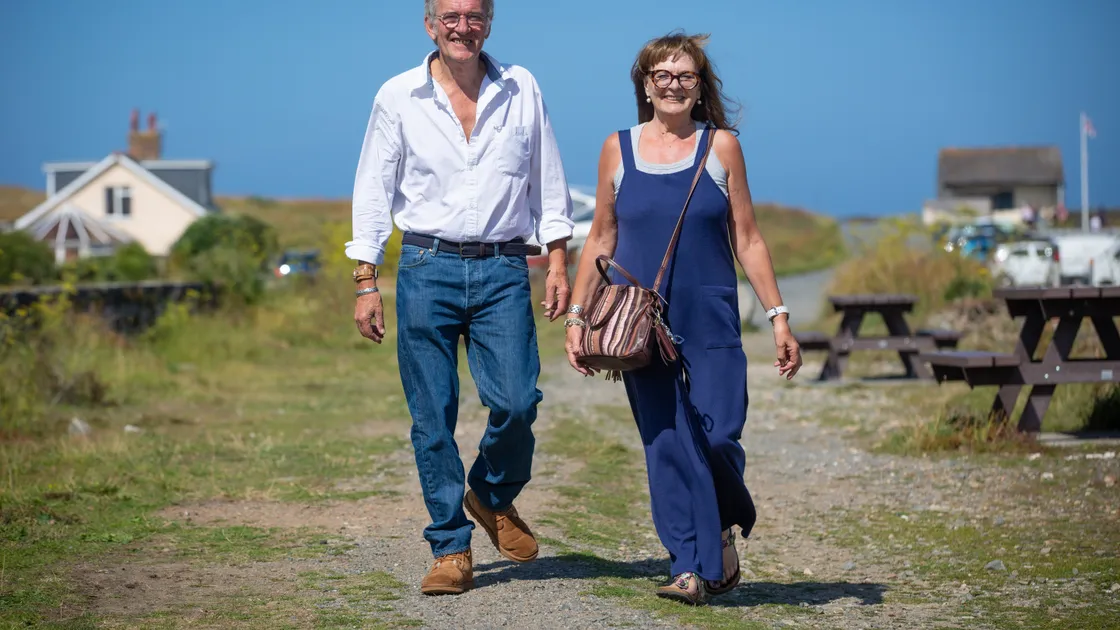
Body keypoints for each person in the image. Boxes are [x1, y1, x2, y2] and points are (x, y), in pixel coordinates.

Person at [564, 32, 802, 605]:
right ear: (646, 85)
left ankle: (721, 525)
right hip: (638, 324)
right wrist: (576, 315)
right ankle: (688, 565)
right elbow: (600, 237)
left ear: (700, 86)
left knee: (718, 436)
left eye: (685, 76)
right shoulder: (617, 149)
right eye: (662, 76)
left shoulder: (722, 147)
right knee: (667, 444)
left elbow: (748, 238)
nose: (673, 85)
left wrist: (778, 316)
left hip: (711, 316)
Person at [346, 0, 574, 596]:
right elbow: (373, 189)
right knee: (432, 416)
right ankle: (450, 547)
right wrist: (366, 281)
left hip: (504, 266)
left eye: (474, 16)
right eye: (450, 16)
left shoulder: (521, 88)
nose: (462, 27)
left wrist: (557, 262)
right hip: (426, 266)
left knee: (518, 401)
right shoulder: (397, 96)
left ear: (489, 23)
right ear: (430, 24)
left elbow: (548, 179)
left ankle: (490, 494)